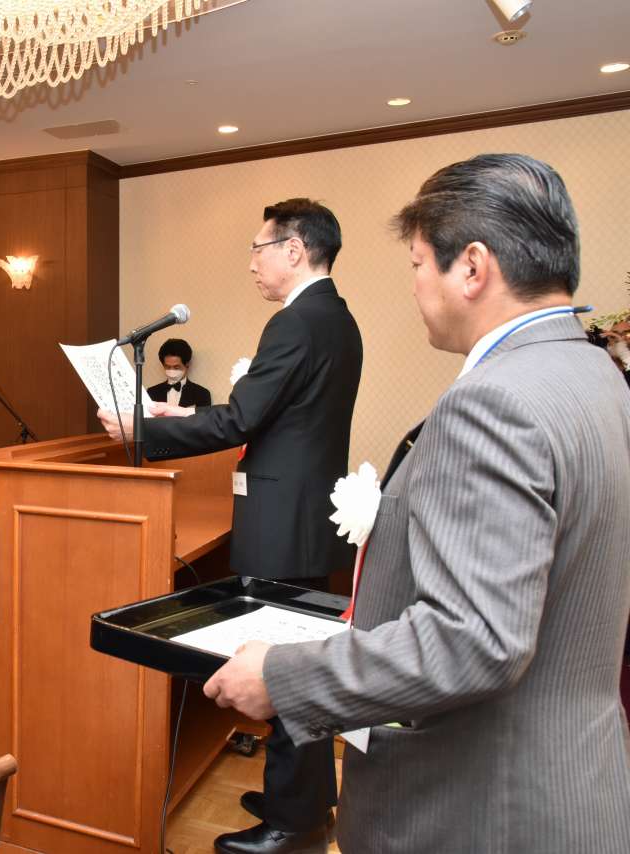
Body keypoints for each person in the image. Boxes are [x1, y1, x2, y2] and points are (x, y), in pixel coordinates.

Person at [204, 154, 630, 853]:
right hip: (572, 778)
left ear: (472, 267)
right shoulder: (595, 371)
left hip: (481, 805)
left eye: (417, 264)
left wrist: (283, 676)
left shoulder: (495, 402)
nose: (414, 285)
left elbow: (471, 641)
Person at [99, 198, 362, 854]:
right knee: (300, 663)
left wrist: (143, 430)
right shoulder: (337, 318)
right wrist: (176, 420)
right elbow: (277, 417)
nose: (252, 263)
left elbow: (240, 421)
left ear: (294, 250)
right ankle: (302, 800)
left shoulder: (294, 322)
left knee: (283, 669)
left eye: (258, 248)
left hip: (282, 522)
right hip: (307, 518)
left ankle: (294, 825)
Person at [146, 338, 211, 410]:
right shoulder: (151, 393)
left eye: (176, 367)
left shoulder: (202, 394)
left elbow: (204, 417)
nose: (171, 370)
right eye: (167, 367)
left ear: (187, 365)